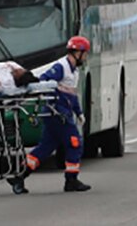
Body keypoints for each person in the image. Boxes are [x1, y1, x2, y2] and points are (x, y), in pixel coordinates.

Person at [15, 36, 92, 193]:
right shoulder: (61, 67)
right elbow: (43, 81)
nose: (85, 57)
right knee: (75, 143)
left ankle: (20, 175)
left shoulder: (74, 71)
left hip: (61, 112)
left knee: (46, 147)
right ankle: (71, 180)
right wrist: (55, 98)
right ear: (77, 53)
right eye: (84, 54)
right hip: (57, 113)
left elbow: (72, 95)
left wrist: (79, 113)